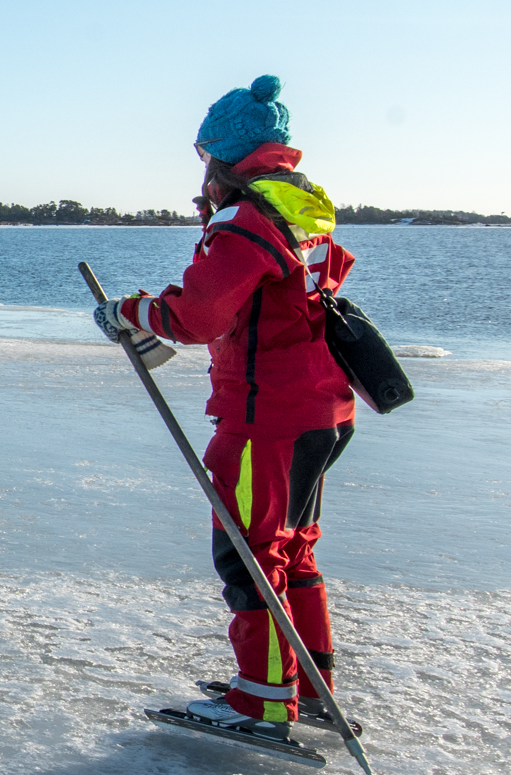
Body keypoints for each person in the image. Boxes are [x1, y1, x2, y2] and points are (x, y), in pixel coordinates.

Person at [93, 75, 356, 741]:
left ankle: (263, 700)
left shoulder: (244, 220)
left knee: (246, 553)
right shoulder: (298, 210)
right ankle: (304, 680)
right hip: (320, 410)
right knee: (291, 550)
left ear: (220, 156)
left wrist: (131, 312)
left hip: (264, 418)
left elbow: (201, 315)